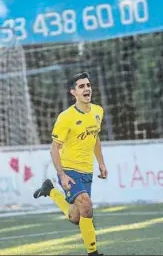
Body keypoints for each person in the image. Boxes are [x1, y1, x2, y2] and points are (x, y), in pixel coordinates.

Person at [33, 72, 108, 256]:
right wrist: (62, 175)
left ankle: (49, 190)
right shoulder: (65, 117)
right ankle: (93, 252)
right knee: (86, 205)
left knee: (76, 217)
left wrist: (101, 163)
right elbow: (53, 149)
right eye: (81, 86)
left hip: (87, 171)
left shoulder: (98, 111)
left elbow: (95, 138)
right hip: (69, 170)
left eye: (88, 85)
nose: (87, 89)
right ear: (73, 92)